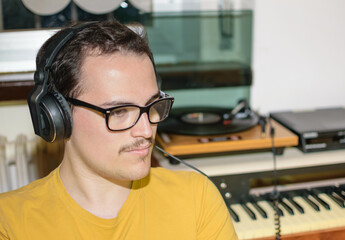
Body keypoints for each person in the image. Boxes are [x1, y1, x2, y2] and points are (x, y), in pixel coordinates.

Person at [0, 20, 238, 240]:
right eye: (119, 111)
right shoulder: (9, 222)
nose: (146, 130)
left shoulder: (197, 198)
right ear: (58, 116)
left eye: (152, 105)